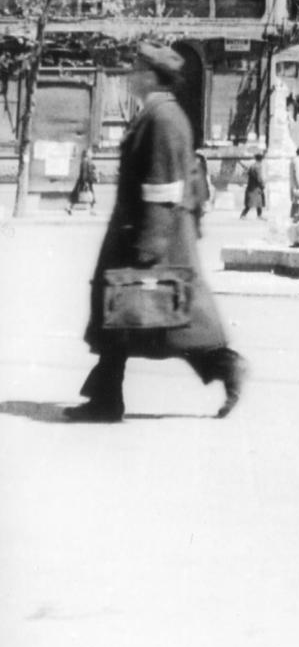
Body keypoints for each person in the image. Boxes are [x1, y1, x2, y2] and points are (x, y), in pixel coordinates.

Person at [65, 43, 246, 422]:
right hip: (142, 231)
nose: (130, 76)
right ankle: (106, 398)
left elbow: (163, 186)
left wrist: (150, 243)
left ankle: (224, 365)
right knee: (124, 317)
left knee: (162, 319)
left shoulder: (162, 118)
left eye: (135, 69)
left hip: (151, 235)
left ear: (150, 75)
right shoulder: (156, 113)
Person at [66, 146, 97, 215]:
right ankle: (92, 210)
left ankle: (69, 207)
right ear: (87, 154)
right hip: (84, 181)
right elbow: (84, 173)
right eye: (90, 152)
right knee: (87, 195)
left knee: (77, 195)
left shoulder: (86, 161)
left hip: (83, 181)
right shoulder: (85, 161)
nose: (92, 154)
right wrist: (85, 182)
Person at [241, 152, 266, 218]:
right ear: (261, 159)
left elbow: (247, 173)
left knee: (253, 202)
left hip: (251, 186)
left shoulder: (252, 165)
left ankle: (244, 215)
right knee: (257, 201)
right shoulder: (258, 166)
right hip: (256, 187)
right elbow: (259, 177)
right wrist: (262, 185)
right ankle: (258, 215)